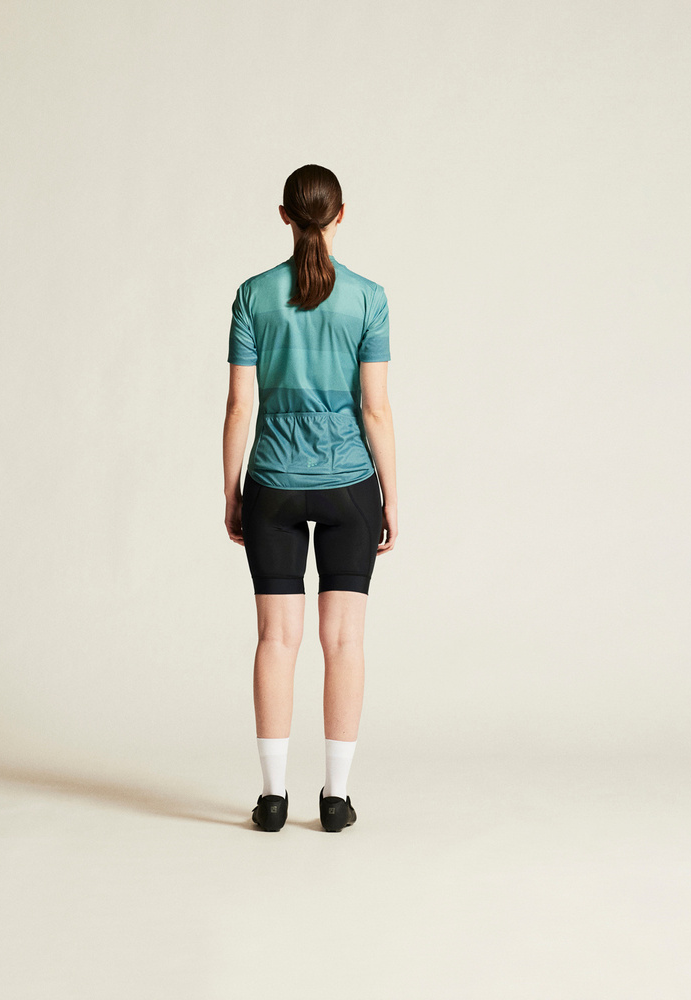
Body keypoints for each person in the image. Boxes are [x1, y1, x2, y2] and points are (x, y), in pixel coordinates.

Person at [222, 163, 398, 833]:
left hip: (271, 483)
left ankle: (272, 799)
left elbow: (240, 406)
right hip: (351, 486)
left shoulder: (253, 296)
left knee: (276, 638)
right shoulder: (369, 299)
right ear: (340, 215)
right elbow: (375, 409)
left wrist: (232, 490)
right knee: (344, 641)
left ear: (284, 216)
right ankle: (336, 798)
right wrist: (391, 495)